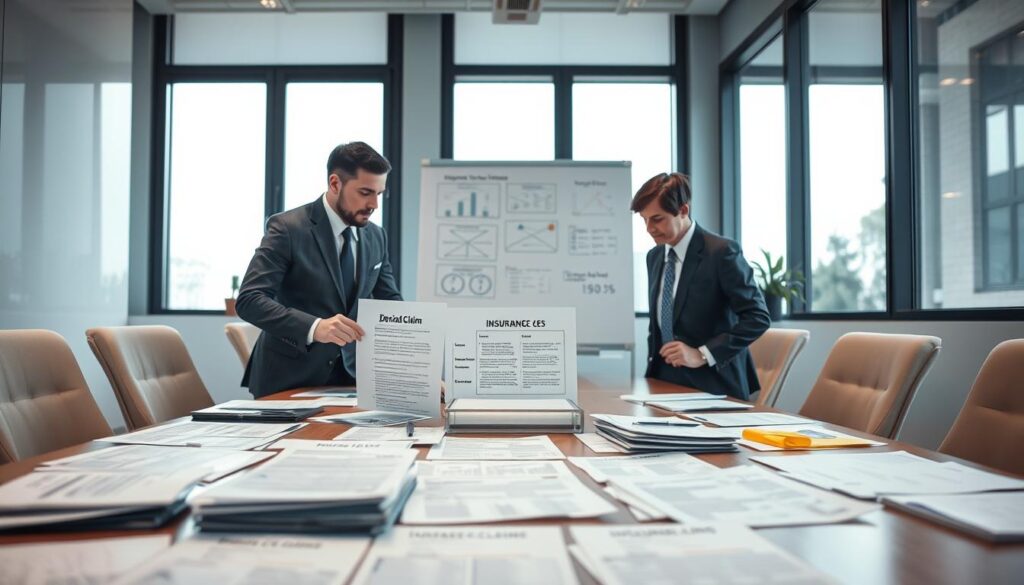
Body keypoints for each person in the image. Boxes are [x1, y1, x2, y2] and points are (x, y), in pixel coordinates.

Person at [237, 142, 401, 398]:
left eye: (379, 194)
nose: (374, 205)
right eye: (365, 192)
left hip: (351, 382)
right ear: (335, 183)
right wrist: (315, 327)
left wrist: (417, 376)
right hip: (288, 382)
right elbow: (249, 300)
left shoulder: (376, 236)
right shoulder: (287, 228)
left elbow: (391, 305)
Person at [632, 172, 769, 400]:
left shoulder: (722, 252)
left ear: (683, 210)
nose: (649, 229)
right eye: (644, 220)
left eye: (657, 219)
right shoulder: (654, 256)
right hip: (663, 383)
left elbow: (758, 317)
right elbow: (657, 325)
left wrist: (702, 354)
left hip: (713, 384)